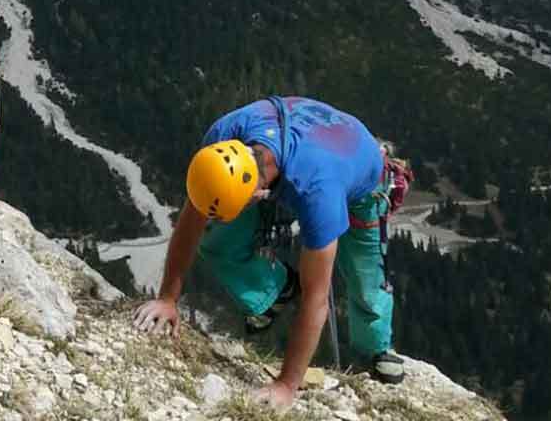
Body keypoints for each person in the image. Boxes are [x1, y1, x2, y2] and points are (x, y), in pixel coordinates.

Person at [133, 95, 406, 408]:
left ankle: (376, 347)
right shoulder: (222, 141)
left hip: (358, 169)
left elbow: (317, 298)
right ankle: (275, 291)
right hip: (314, 139)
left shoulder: (318, 191)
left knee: (364, 276)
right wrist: (167, 298)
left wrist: (287, 385)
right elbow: (192, 219)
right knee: (218, 241)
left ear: (259, 193)